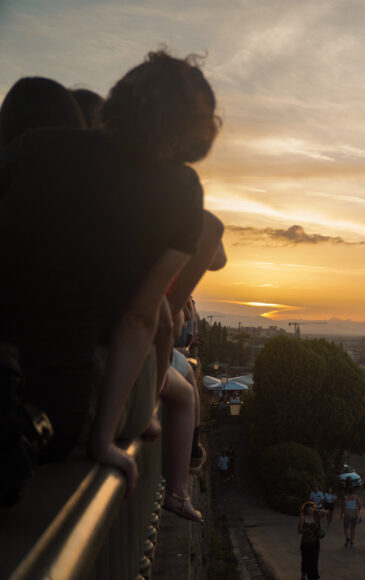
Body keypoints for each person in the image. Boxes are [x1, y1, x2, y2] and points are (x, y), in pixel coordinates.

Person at [0, 50, 218, 498]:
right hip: (63, 408)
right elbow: (141, 319)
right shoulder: (181, 191)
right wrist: (102, 439)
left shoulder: (39, 144)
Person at [298, 501, 328, 580]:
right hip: (305, 542)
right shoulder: (303, 517)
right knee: (306, 560)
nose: (310, 511)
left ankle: (313, 577)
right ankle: (304, 573)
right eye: (308, 510)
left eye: (311, 510)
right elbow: (299, 530)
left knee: (314, 560)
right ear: (305, 510)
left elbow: (326, 512)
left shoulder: (316, 516)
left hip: (315, 542)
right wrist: (305, 530)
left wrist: (316, 510)